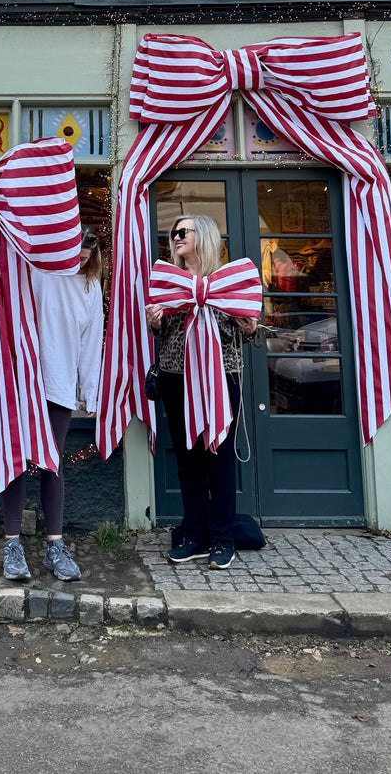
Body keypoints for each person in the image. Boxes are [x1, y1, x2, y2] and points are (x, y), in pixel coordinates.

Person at [146, 215, 258, 571]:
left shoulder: (228, 282)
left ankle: (223, 538)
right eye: (173, 234)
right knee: (186, 458)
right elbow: (161, 332)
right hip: (176, 377)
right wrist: (154, 321)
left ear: (203, 237)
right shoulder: (170, 282)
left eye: (183, 232)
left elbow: (248, 332)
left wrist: (250, 326)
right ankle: (194, 533)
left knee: (220, 457)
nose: (175, 238)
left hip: (221, 377)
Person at [0, 227, 104, 583]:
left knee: (52, 464)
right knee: (15, 463)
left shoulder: (90, 287)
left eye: (87, 259)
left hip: (59, 386)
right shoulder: (37, 271)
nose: (80, 262)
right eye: (76, 255)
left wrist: (92, 392)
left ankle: (54, 546)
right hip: (22, 381)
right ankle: (12, 543)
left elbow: (92, 342)